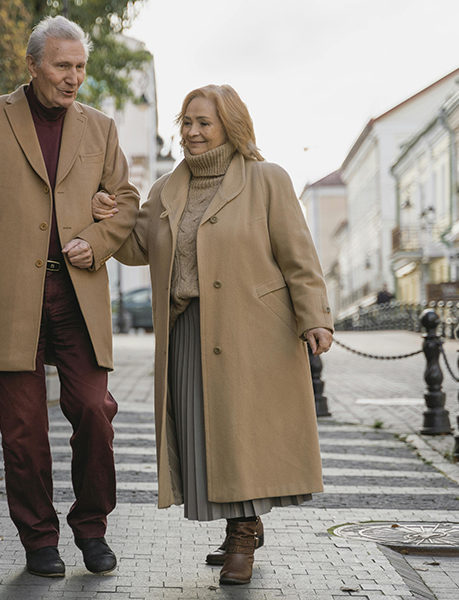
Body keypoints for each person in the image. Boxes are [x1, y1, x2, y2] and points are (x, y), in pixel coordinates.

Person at [92, 84, 333, 585]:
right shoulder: (166, 189)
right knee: (205, 435)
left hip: (253, 331)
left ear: (231, 125)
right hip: (187, 331)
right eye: (186, 122)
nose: (193, 132)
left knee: (242, 433)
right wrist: (109, 217)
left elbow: (299, 255)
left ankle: (244, 536)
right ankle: (237, 527)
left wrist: (315, 317)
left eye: (204, 122)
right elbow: (138, 248)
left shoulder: (267, 179)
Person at [0, 15, 139, 578]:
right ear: (32, 65)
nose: (73, 77)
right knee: (24, 427)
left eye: (80, 67)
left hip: (77, 292)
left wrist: (97, 241)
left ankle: (92, 526)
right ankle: (39, 539)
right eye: (62, 66)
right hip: (3, 293)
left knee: (95, 411)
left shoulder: (101, 128)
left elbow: (124, 198)